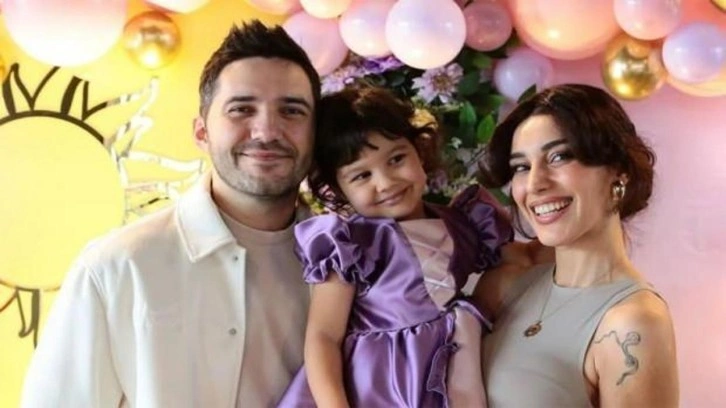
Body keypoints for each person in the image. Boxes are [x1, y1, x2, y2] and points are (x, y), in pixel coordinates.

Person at [21, 20, 320, 407]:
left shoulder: (350, 264)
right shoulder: (117, 266)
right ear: (201, 133)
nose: (266, 131)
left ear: (316, 133)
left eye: (292, 111)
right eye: (241, 109)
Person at [276, 86, 514, 408]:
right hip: (374, 387)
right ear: (338, 190)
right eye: (362, 175)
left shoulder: (465, 222)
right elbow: (323, 337)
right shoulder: (349, 245)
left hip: (447, 372)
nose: (386, 182)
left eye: (397, 159)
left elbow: (515, 262)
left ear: (420, 151)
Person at [475, 83, 679, 407]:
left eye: (559, 157)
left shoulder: (633, 323)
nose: (535, 183)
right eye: (521, 167)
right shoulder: (504, 287)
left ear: (618, 171)